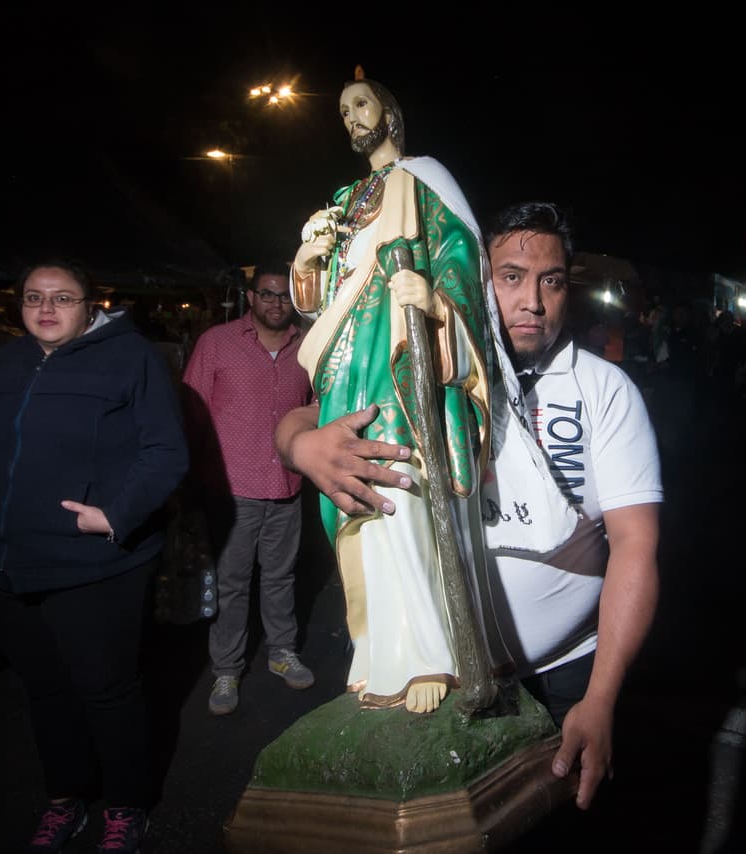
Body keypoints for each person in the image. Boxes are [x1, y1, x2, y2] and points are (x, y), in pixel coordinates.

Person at [278, 201, 662, 811]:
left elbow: (637, 547)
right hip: (451, 674)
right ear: (481, 279)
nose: (532, 301)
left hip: (568, 674)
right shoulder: (439, 363)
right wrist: (302, 445)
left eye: (551, 281)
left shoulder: (605, 389)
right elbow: (312, 410)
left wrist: (601, 697)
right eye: (512, 277)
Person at [0, 261, 188, 854]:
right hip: (11, 563)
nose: (46, 309)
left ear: (91, 305)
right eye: (34, 297)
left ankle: (128, 806)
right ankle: (66, 797)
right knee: (46, 691)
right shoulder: (2, 364)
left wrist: (115, 515)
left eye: (62, 297)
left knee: (106, 689)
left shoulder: (131, 358)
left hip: (95, 564)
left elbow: (165, 451)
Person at [289, 73, 507, 715]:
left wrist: (435, 300)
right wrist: (308, 264)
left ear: (390, 112)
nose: (352, 118)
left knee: (403, 485)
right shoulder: (344, 198)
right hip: (347, 364)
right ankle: (383, 648)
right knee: (357, 495)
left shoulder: (424, 179)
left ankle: (430, 652)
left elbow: (460, 255)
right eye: (343, 110)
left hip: (401, 359)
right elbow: (328, 294)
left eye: (361, 105)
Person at [181, 260, 315, 716]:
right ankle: (226, 668)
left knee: (281, 576)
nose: (276, 303)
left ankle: (282, 651)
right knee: (232, 583)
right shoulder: (216, 344)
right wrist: (189, 481)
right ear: (251, 297)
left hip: (287, 483)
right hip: (231, 487)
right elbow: (191, 413)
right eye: (267, 294)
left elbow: (318, 408)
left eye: (284, 295)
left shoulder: (309, 349)